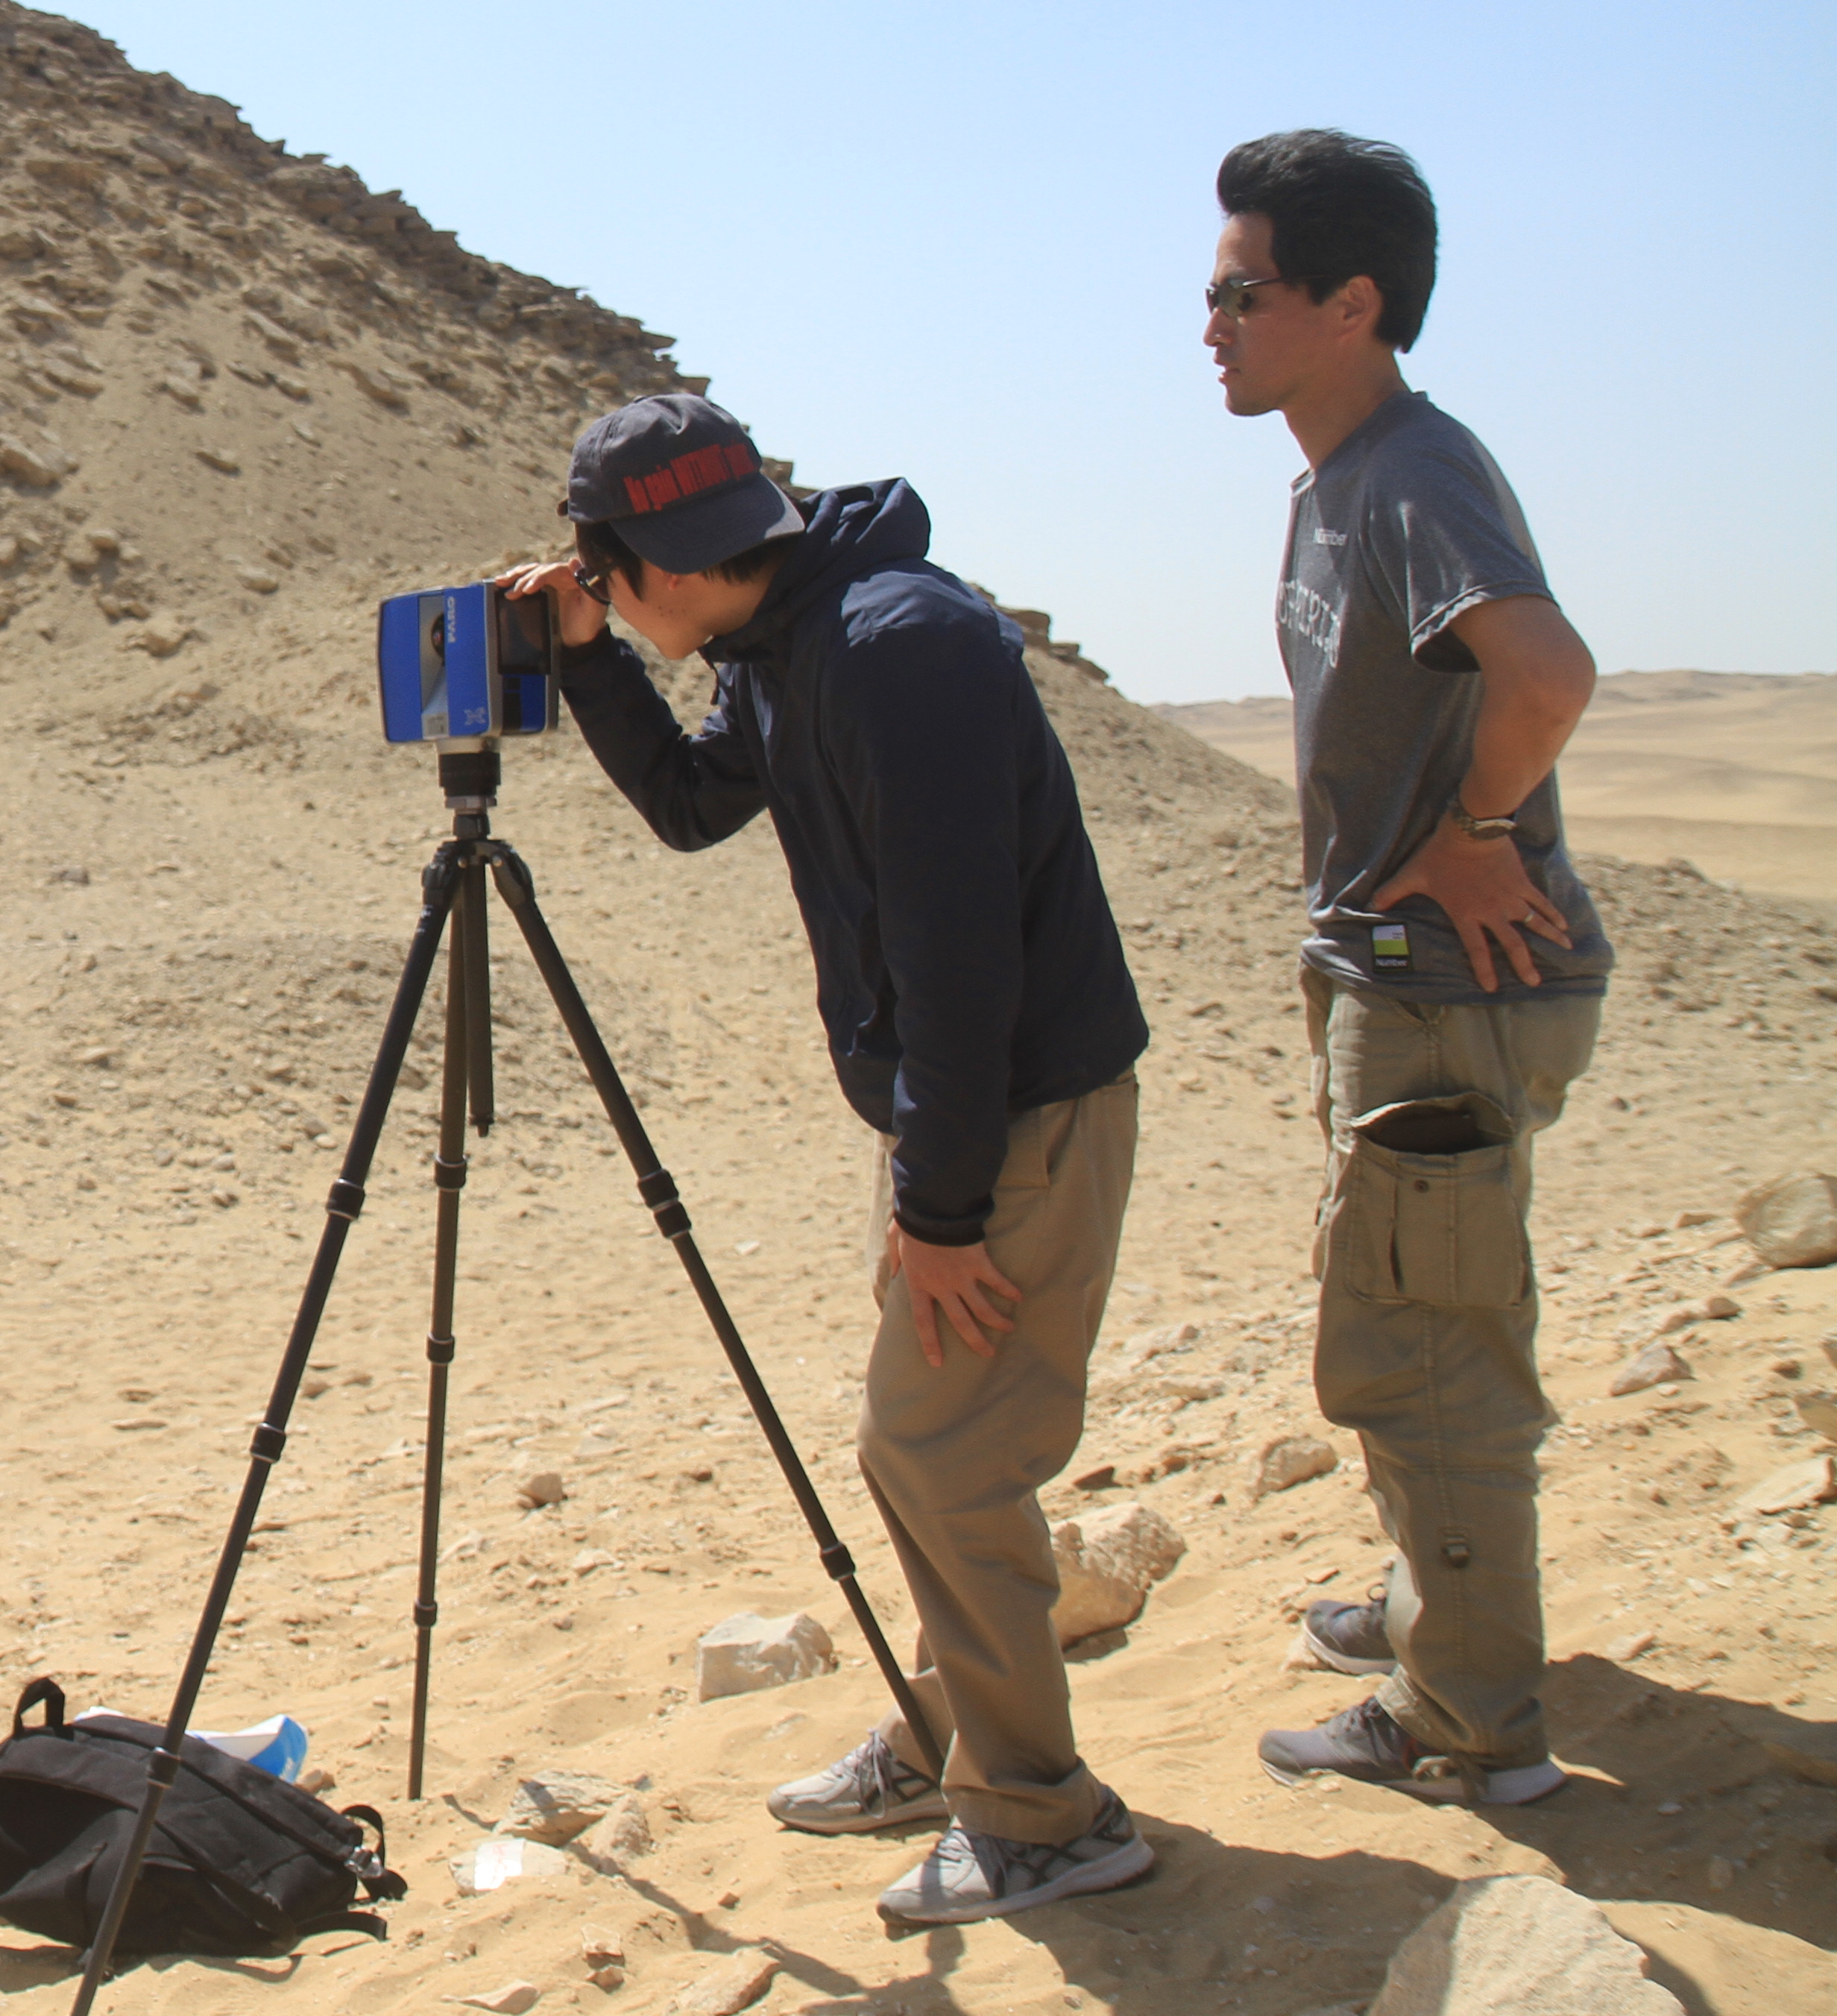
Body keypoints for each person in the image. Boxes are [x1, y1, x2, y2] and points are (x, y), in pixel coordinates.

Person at [502, 394, 1153, 1924]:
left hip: (1012, 1110)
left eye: (597, 574)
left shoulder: (888, 649)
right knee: (932, 1445)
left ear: (635, 555)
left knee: (938, 1450)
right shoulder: (793, 637)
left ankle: (1046, 1820)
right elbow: (689, 807)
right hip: (958, 1109)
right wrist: (591, 666)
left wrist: (942, 1205)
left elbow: (961, 958)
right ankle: (959, 1744)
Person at [1204, 129, 1607, 1808]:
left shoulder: (1412, 476)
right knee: (1424, 1308)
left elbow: (1548, 671)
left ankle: (1469, 1726)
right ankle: (1435, 1613)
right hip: (1407, 978)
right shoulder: (1349, 475)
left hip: (1447, 977)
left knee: (1421, 1345)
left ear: (1354, 304)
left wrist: (1479, 831)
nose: (1210, 326)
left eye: (1244, 294)